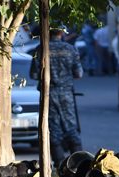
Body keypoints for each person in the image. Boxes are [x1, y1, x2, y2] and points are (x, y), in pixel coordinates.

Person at [31, 27, 84, 167]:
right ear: (61, 33)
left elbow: (34, 75)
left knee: (53, 130)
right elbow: (79, 74)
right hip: (66, 94)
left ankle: (59, 164)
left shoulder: (40, 49)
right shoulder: (70, 49)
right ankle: (79, 163)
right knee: (71, 127)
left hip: (49, 94)